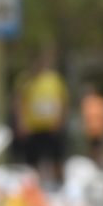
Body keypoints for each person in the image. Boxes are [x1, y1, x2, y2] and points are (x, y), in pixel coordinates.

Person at [15, 52, 70, 184]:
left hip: (51, 126)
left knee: (56, 156)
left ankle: (59, 182)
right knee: (32, 159)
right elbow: (19, 102)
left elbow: (63, 101)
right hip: (33, 127)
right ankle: (33, 185)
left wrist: (60, 120)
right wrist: (21, 123)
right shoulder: (25, 80)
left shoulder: (54, 80)